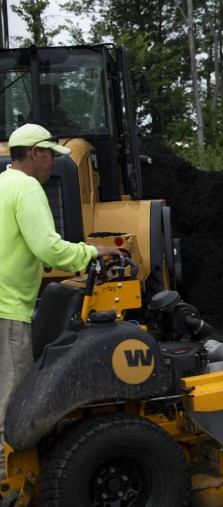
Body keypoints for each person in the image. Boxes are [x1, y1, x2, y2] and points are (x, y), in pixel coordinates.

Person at [0, 123, 122, 478]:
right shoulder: (27, 188)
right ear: (35, 153)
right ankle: (10, 482)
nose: (54, 163)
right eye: (51, 154)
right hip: (7, 308)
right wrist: (91, 253)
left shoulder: (2, 183)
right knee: (12, 402)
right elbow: (47, 247)